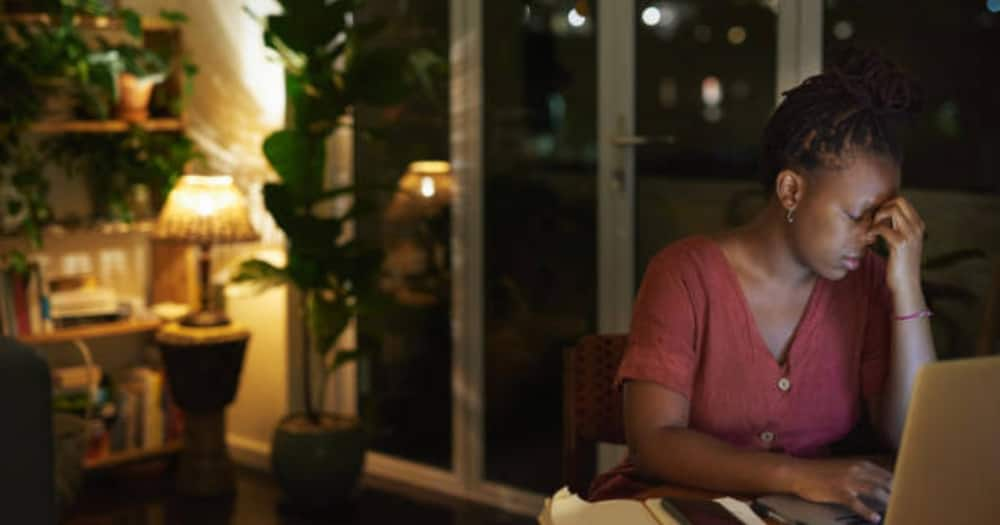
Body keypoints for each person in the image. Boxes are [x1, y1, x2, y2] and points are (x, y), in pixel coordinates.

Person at [587, 49, 936, 525]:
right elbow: (654, 443)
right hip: (676, 508)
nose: (868, 238)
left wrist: (907, 287)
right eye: (856, 217)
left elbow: (913, 439)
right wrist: (798, 476)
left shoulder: (868, 284)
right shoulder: (683, 274)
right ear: (791, 190)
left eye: (879, 222)